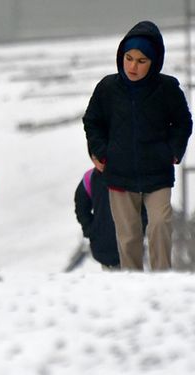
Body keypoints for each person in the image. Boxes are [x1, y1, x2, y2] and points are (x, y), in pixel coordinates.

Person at [83, 20, 192, 271]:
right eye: (129, 58)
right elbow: (93, 121)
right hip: (119, 174)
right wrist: (99, 151)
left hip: (158, 173)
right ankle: (133, 288)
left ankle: (162, 281)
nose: (133, 66)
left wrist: (174, 151)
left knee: (160, 225)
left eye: (142, 61)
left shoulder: (168, 88)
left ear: (154, 62)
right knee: (129, 237)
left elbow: (183, 122)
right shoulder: (107, 88)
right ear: (121, 56)